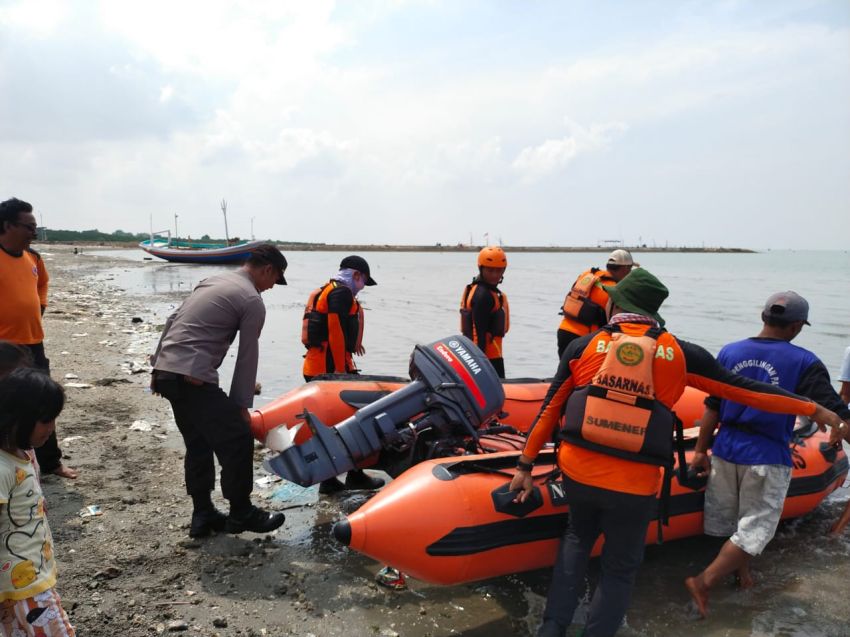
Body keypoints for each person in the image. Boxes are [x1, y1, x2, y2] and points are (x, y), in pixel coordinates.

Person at [508, 270, 845, 637]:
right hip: (634, 485)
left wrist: (525, 466)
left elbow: (548, 410)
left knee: (576, 541)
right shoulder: (679, 353)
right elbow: (749, 391)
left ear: (617, 304)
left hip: (580, 473)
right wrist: (812, 409)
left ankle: (552, 628)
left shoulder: (582, 346)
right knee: (619, 567)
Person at [685, 292, 850, 616]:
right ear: (796, 326)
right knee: (756, 530)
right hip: (766, 454)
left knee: (735, 524)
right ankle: (704, 582)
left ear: (764, 316)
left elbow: (712, 407)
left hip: (725, 450)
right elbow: (834, 409)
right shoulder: (804, 361)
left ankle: (743, 576)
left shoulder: (729, 352)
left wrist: (701, 451)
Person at [150, 244, 288, 537]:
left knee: (198, 443)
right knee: (238, 437)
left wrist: (157, 367)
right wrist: (241, 405)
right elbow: (248, 356)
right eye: (275, 280)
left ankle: (203, 515)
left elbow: (172, 321)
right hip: (192, 378)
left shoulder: (212, 281)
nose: (272, 287)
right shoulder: (251, 299)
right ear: (267, 270)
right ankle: (242, 512)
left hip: (167, 373)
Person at [0, 197, 77, 480]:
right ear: (8, 225)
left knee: (44, 403)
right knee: (7, 403)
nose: (34, 232)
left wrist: (40, 306)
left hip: (33, 343)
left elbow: (42, 283)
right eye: (28, 226)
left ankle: (51, 463)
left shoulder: (34, 258)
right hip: (3, 349)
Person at [0, 368, 76, 636]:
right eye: (46, 420)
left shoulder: (24, 453)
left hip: (28, 576)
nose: (51, 428)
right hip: (23, 586)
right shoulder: (2, 467)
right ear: (18, 419)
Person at [302, 255, 384, 494]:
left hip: (317, 367)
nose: (361, 288)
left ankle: (338, 478)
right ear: (356, 275)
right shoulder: (341, 294)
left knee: (332, 426)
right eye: (363, 282)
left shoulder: (328, 289)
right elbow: (335, 332)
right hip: (329, 371)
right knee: (350, 423)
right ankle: (348, 478)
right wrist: (340, 373)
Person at [556, 249, 637, 359]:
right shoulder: (615, 291)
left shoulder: (588, 274)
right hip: (584, 341)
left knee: (565, 374)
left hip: (563, 331)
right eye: (630, 269)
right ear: (625, 268)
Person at [459, 246, 510, 378]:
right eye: (490, 270)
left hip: (484, 356)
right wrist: (478, 364)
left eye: (499, 270)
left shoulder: (480, 289)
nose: (495, 275)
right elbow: (478, 333)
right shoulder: (483, 296)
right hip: (488, 359)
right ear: (481, 268)